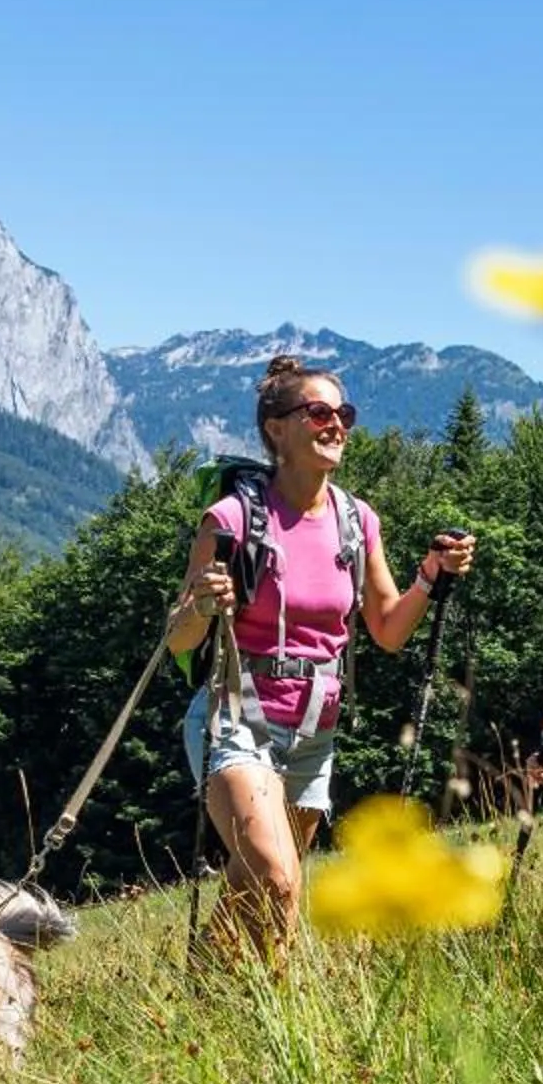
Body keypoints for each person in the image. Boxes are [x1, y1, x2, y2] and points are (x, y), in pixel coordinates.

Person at [169, 354, 475, 968]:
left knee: (254, 887)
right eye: (318, 412)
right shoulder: (231, 519)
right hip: (236, 721)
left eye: (344, 414)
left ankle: (202, 991)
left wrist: (429, 576)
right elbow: (178, 637)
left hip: (316, 735)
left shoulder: (357, 522)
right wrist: (204, 602)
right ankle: (278, 1028)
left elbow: (387, 628)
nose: (336, 425)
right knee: (279, 881)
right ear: (277, 428)